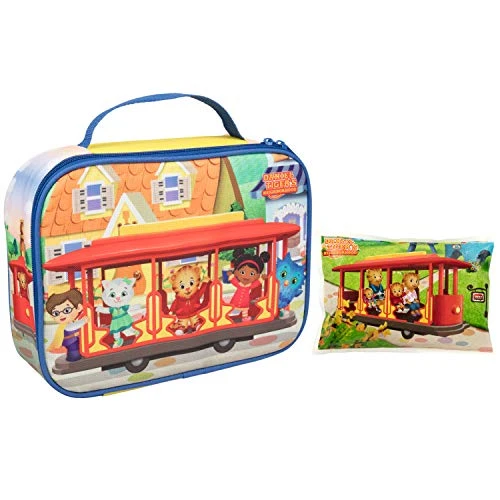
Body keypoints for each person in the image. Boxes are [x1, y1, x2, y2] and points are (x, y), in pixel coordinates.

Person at [45, 289, 87, 361]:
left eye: (66, 310)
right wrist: (84, 321)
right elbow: (72, 327)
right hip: (71, 342)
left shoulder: (73, 321)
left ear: (79, 308)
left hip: (73, 341)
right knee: (74, 352)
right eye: (56, 313)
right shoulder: (66, 325)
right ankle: (73, 358)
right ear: (52, 316)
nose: (61, 315)